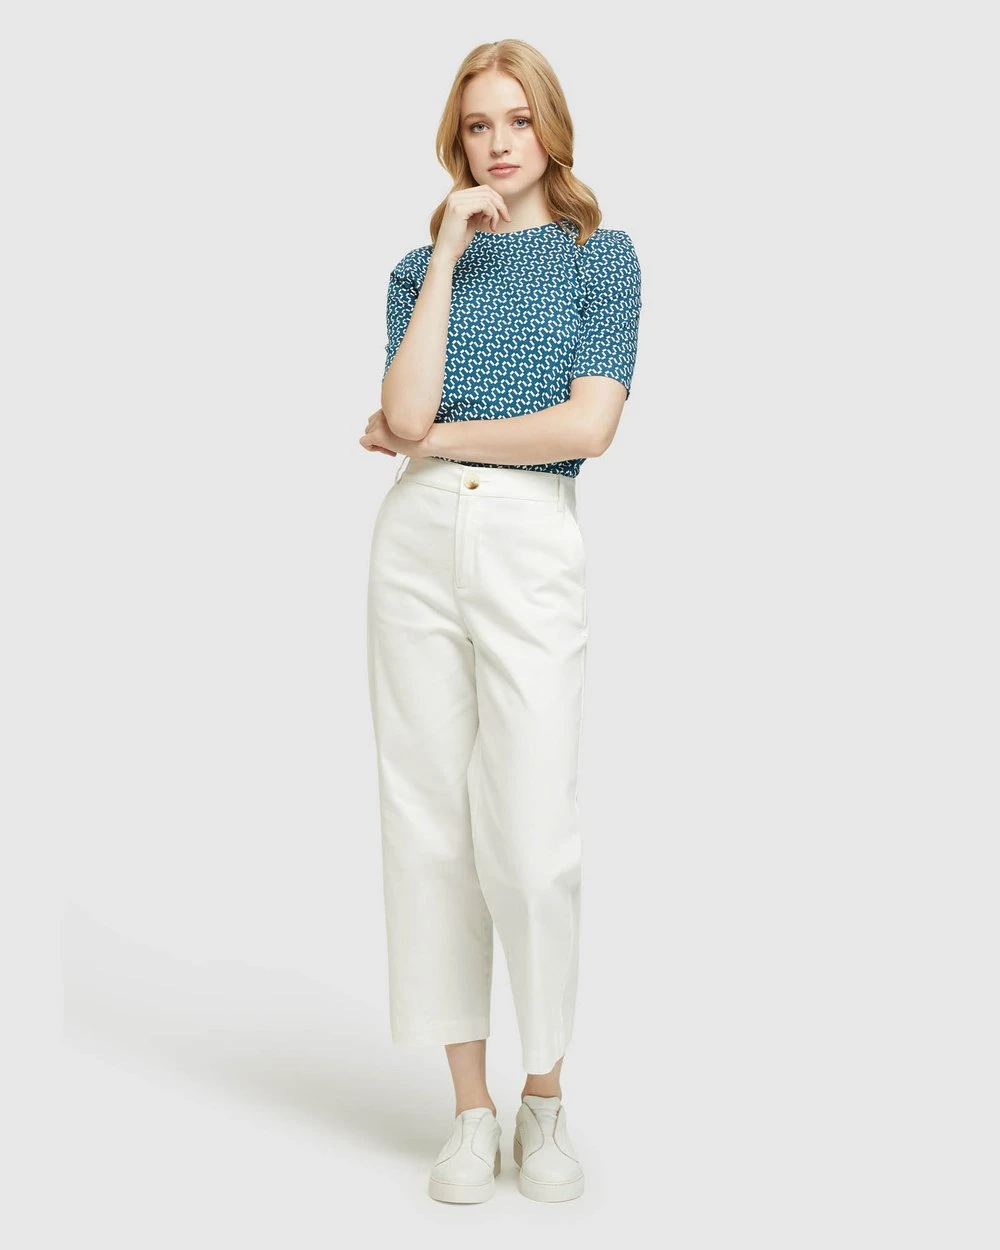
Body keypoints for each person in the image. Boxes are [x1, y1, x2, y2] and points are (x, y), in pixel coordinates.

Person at [359, 38, 641, 1204]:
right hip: (417, 539)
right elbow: (403, 403)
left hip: (529, 537)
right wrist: (442, 255)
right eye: (478, 124)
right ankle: (469, 1111)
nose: (500, 142)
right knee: (427, 822)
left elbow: (586, 428)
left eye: (518, 119)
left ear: (551, 128)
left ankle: (545, 1097)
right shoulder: (414, 268)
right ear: (457, 140)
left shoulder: (599, 257)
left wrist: (430, 437)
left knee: (530, 838)